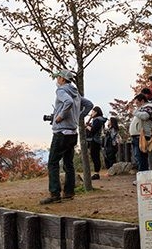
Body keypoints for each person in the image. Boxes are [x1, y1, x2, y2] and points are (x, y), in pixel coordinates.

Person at [40, 69, 93, 205]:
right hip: (72, 133)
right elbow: (89, 105)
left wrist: (60, 116)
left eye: (58, 77)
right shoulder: (76, 93)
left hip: (61, 132)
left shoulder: (61, 91)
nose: (57, 80)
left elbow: (67, 102)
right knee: (68, 164)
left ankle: (55, 193)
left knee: (52, 163)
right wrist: (79, 117)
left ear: (63, 79)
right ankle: (69, 192)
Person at [129, 93, 152, 172]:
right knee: (138, 157)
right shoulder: (140, 109)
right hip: (137, 135)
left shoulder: (149, 107)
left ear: (142, 101)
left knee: (141, 157)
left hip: (142, 135)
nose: (136, 105)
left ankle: (143, 175)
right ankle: (142, 175)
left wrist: (134, 112)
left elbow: (145, 116)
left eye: (137, 103)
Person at [85, 106, 108, 180]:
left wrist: (87, 126)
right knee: (95, 156)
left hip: (95, 140)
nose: (91, 113)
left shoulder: (97, 120)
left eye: (92, 111)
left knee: (95, 157)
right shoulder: (98, 120)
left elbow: (93, 130)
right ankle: (96, 173)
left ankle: (96, 173)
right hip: (96, 140)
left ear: (96, 112)